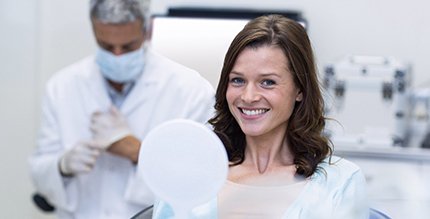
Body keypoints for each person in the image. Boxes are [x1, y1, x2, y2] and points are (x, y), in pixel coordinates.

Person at [152, 14, 369, 218]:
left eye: (268, 82)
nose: (248, 96)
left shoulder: (340, 183)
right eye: (237, 80)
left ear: (300, 90)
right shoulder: (188, 175)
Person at [28, 0, 215, 218]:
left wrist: (138, 151)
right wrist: (62, 166)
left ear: (147, 30)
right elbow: (39, 172)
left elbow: (200, 181)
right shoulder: (62, 86)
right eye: (106, 46)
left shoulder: (191, 91)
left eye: (127, 47)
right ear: (94, 29)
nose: (117, 56)